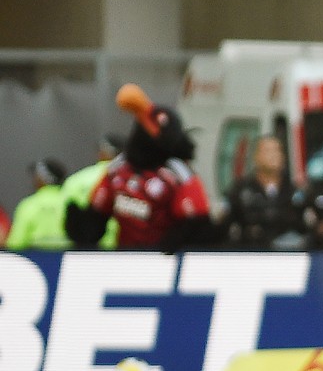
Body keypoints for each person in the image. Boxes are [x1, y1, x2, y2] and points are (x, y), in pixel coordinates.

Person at [65, 84, 213, 252]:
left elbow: (196, 223)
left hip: (163, 261)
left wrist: (175, 243)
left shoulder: (177, 174)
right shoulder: (118, 169)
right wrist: (82, 227)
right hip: (126, 258)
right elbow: (98, 213)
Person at [218, 135, 305, 250]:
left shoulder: (294, 190)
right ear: (256, 156)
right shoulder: (240, 190)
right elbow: (224, 225)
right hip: (249, 254)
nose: (274, 155)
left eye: (277, 150)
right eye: (268, 151)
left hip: (287, 256)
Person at [61, 133, 125, 249]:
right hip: (125, 247)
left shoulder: (76, 180)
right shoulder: (128, 179)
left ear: (102, 153)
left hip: (88, 247)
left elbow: (64, 217)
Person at [6, 159, 70, 250]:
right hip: (69, 259)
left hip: (35, 259)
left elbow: (16, 243)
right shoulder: (71, 202)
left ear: (42, 179)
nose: (34, 179)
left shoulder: (28, 205)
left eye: (37, 175)